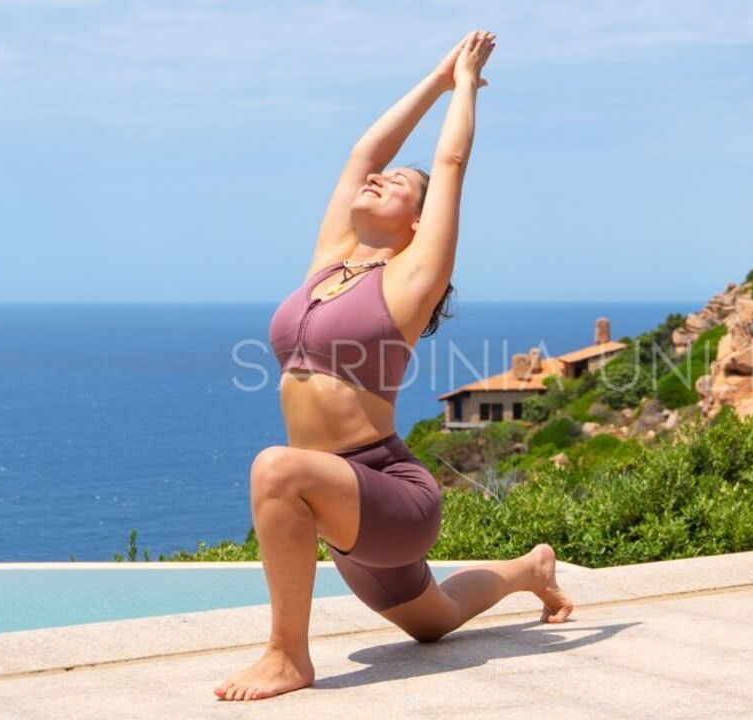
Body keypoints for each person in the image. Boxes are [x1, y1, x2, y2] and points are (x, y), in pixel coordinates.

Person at [215, 31, 573, 702]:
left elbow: (453, 161)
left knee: (274, 467)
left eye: (400, 184)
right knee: (433, 622)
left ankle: (287, 655)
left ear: (416, 221)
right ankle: (531, 568)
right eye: (383, 178)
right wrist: (435, 79)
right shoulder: (329, 263)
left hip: (388, 490)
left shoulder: (412, 279)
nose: (379, 178)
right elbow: (364, 152)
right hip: (343, 505)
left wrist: (464, 89)